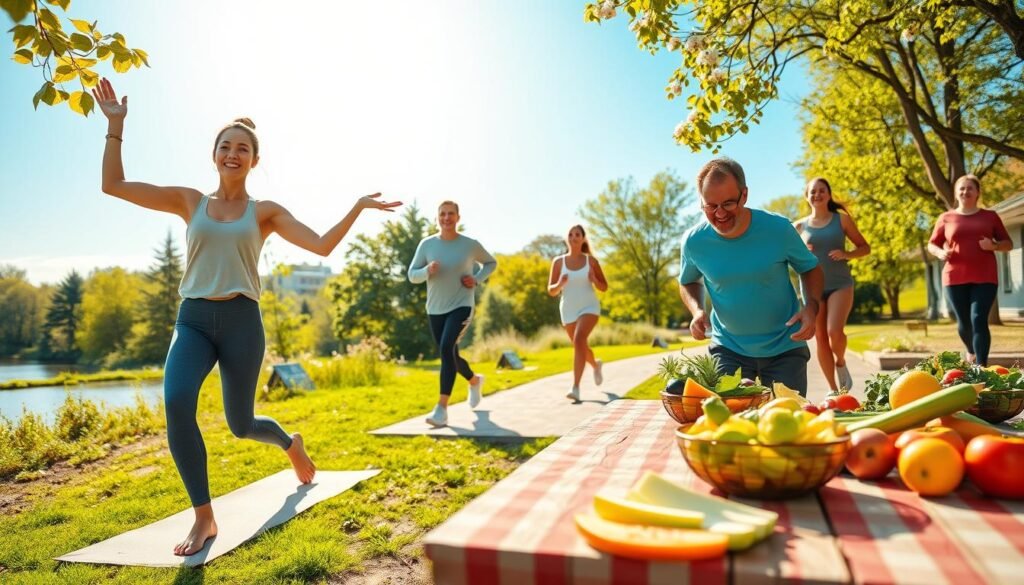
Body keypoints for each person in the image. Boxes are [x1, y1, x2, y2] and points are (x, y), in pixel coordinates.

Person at [92, 78, 401, 556]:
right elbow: (113, 186)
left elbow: (321, 245)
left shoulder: (265, 212)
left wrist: (357, 207)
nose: (232, 154)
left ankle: (289, 443)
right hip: (193, 320)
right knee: (177, 403)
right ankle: (204, 516)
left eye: (242, 149)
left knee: (240, 424)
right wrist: (116, 127)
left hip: (241, 324)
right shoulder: (190, 201)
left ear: (255, 160)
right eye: (225, 147)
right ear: (213, 154)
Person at [677, 157, 824, 396]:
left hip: (786, 347)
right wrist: (697, 311)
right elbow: (687, 280)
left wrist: (811, 307)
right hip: (727, 349)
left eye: (728, 203)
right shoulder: (694, 241)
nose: (720, 213)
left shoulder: (778, 229)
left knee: (785, 426)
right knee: (727, 425)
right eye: (710, 206)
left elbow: (809, 268)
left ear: (744, 195)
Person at [408, 201, 497, 427]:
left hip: (462, 304)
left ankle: (441, 409)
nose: (446, 218)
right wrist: (427, 270)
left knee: (446, 348)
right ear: (437, 217)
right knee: (450, 354)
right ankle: (474, 380)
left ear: (458, 217)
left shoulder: (469, 245)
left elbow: (490, 263)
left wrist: (476, 279)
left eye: (451, 214)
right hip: (435, 308)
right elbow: (412, 275)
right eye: (442, 214)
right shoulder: (427, 244)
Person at [793, 178, 870, 392]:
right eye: (813, 192)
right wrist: (800, 252)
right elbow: (783, 256)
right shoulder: (798, 227)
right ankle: (833, 390)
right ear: (807, 196)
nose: (817, 195)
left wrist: (847, 253)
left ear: (829, 194)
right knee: (820, 338)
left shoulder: (842, 220)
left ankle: (841, 361)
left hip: (840, 284)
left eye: (822, 191)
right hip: (811, 289)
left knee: (834, 331)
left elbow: (865, 247)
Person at [927, 175, 1011, 366]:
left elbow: (1008, 243)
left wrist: (993, 245)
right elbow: (932, 244)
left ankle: (981, 366)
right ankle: (971, 351)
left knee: (978, 318)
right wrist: (940, 253)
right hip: (954, 276)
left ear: (978, 192)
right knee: (964, 323)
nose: (965, 192)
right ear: (956, 193)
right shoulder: (946, 218)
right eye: (961, 189)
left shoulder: (990, 216)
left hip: (985, 275)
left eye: (970, 188)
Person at [547, 224, 608, 401]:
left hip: (589, 307)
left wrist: (594, 279)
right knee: (579, 345)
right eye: (571, 234)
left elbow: (604, 287)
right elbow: (551, 290)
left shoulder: (591, 261)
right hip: (568, 309)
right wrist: (559, 283)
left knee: (579, 339)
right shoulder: (558, 262)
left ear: (583, 238)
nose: (574, 237)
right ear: (567, 238)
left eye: (577, 234)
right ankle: (595, 365)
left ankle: (575, 387)